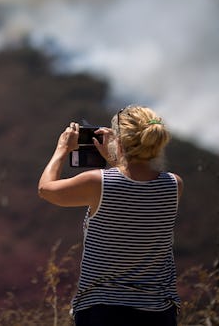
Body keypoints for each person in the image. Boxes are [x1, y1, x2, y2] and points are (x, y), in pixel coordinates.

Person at [38, 105, 183, 326]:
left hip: (102, 311)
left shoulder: (98, 183)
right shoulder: (173, 185)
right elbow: (136, 193)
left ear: (121, 142)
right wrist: (118, 160)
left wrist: (62, 148)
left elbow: (46, 189)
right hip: (158, 311)